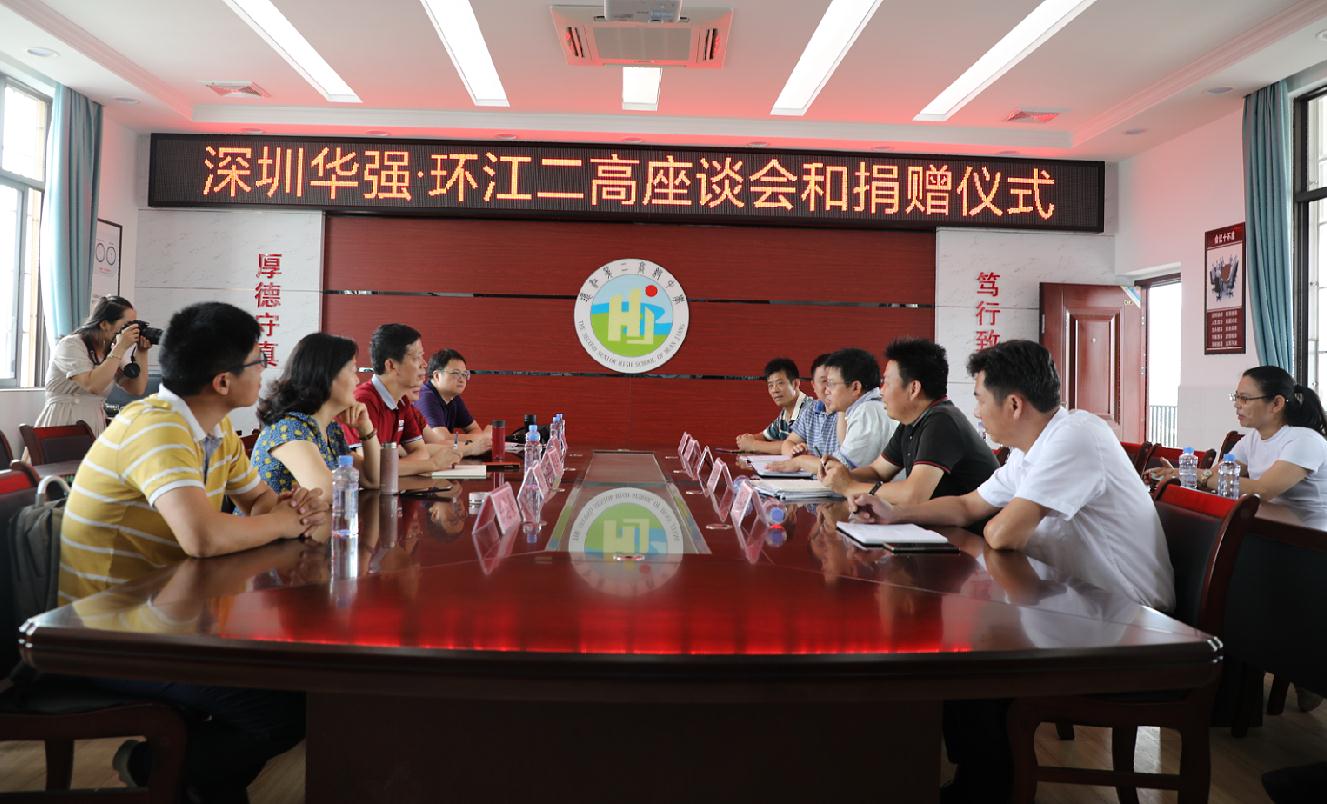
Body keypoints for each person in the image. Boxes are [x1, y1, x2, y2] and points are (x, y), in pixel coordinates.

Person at [850, 339, 1174, 804]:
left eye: (980, 398)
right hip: (1073, 603)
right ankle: (979, 779)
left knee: (969, 659)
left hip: (1129, 621)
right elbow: (968, 505)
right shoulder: (1030, 448)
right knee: (958, 648)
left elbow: (1004, 535)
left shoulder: (1075, 437)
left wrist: (995, 523)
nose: (976, 411)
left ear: (1015, 404)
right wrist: (893, 513)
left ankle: (987, 788)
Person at [59, 301, 324, 803]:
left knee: (295, 689)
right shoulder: (156, 426)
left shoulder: (215, 429)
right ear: (223, 382)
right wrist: (285, 521)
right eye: (258, 361)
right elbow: (202, 538)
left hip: (168, 617)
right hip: (105, 632)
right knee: (280, 709)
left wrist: (289, 508)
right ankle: (153, 768)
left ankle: (189, 782)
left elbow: (259, 500)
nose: (265, 370)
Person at [822, 338, 997, 504]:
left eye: (886, 383)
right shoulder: (912, 422)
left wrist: (851, 487)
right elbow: (878, 471)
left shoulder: (942, 421)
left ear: (914, 388)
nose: (881, 391)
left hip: (974, 525)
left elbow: (913, 494)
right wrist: (842, 475)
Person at [1156, 366, 1327, 521]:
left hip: (1307, 537)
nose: (1237, 405)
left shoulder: (1304, 440)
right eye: (1236, 397)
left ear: (1276, 404)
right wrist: (1178, 476)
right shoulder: (1252, 439)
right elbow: (1213, 476)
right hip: (1264, 526)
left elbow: (1263, 490)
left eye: (1244, 399)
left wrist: (1193, 474)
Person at [251, 333, 381, 507]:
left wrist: (366, 429)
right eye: (352, 370)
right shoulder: (288, 428)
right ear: (325, 375)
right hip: (269, 525)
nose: (357, 380)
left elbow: (373, 480)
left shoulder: (330, 429)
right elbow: (325, 493)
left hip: (311, 523)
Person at [349, 324, 461, 477]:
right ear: (391, 365)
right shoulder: (363, 402)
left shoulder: (401, 401)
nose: (424, 364)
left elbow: (420, 452)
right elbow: (372, 470)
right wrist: (433, 464)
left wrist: (391, 466)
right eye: (416, 357)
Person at [36, 295, 152, 435]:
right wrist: (120, 347)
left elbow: (137, 388)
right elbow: (92, 385)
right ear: (104, 324)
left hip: (93, 424)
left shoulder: (110, 352)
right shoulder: (71, 345)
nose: (132, 330)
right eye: (127, 325)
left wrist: (142, 352)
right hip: (63, 422)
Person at [770, 348, 895, 474]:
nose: (827, 390)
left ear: (856, 387)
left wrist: (799, 461)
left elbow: (838, 469)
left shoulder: (867, 412)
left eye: (831, 383)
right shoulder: (861, 409)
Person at [416, 348, 494, 457]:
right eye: (456, 373)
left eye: (464, 374)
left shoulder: (453, 397)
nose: (462, 379)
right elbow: (440, 438)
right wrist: (480, 438)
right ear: (437, 376)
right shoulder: (425, 396)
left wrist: (479, 439)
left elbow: (474, 429)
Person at [736, 357, 810, 454]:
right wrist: (746, 439)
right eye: (770, 385)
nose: (774, 390)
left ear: (795, 384)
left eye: (780, 383)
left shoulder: (810, 410)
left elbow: (793, 446)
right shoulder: (785, 413)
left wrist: (753, 445)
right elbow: (765, 437)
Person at [781, 353, 839, 459]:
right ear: (814, 386)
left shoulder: (850, 413)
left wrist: (804, 461)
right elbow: (788, 442)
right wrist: (795, 451)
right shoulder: (811, 411)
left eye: (834, 381)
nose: (829, 387)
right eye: (824, 381)